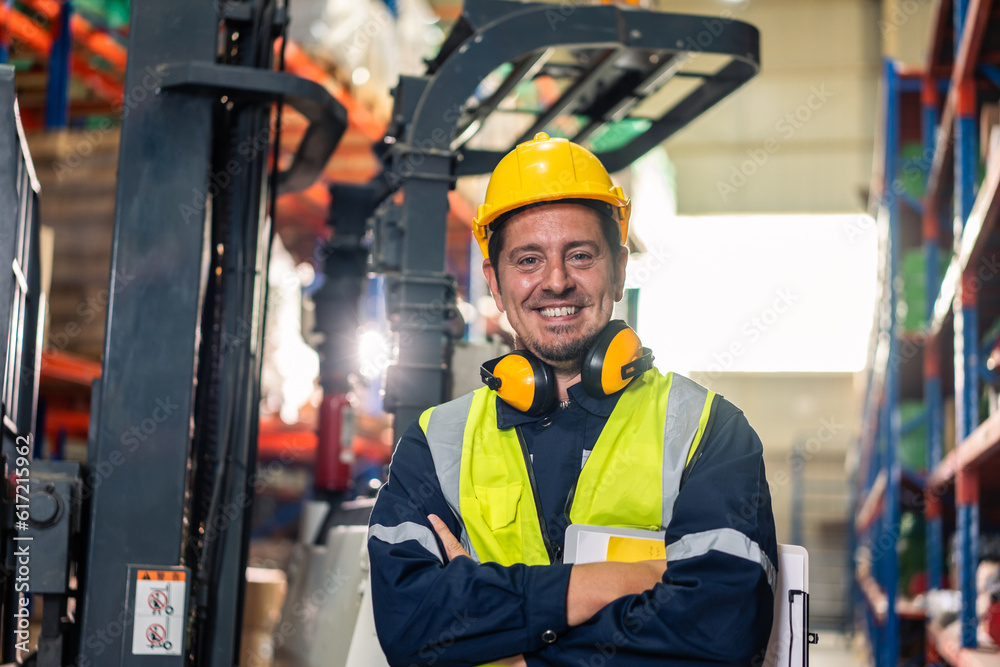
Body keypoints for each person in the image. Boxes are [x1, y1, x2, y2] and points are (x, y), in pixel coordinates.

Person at [367, 132, 777, 666]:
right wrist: (605, 585)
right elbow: (410, 624)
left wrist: (507, 644)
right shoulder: (437, 443)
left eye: (580, 255)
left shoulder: (708, 430)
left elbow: (719, 634)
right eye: (528, 260)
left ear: (620, 268)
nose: (555, 282)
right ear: (495, 280)